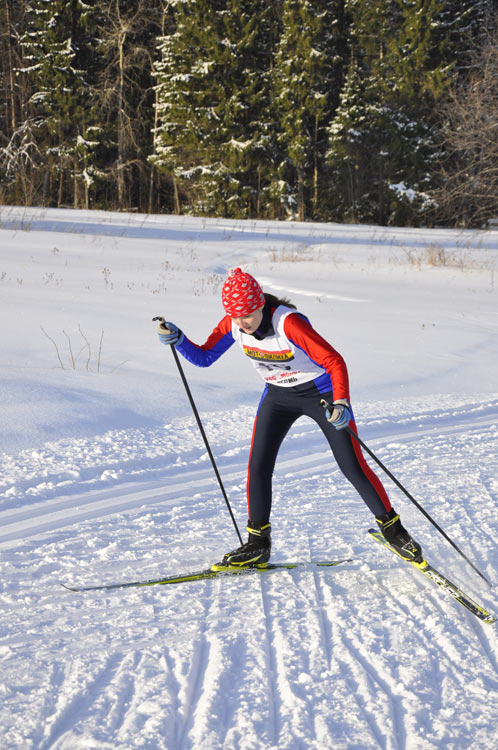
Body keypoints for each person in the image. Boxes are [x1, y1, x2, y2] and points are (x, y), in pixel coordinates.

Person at [157, 267, 422, 568]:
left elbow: (334, 360)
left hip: (319, 394)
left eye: (249, 315)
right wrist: (178, 339)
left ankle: (395, 531)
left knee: (352, 465)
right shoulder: (233, 323)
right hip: (277, 397)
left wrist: (342, 402)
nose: (243, 323)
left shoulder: (288, 323)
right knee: (258, 466)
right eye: (237, 316)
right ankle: (258, 543)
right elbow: (204, 357)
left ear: (261, 305)